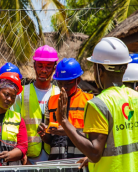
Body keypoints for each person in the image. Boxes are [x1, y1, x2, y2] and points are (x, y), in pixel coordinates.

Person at [56, 37, 138, 172]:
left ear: (99, 71)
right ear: (125, 68)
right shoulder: (135, 97)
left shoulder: (98, 104)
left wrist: (64, 121)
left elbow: (94, 153)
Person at [12, 45, 60, 163]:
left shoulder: (59, 93)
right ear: (34, 66)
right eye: (40, 66)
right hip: (28, 157)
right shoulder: (22, 94)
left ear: (54, 68)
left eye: (48, 67)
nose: (44, 70)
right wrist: (21, 154)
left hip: (54, 156)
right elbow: (13, 125)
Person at [38, 58, 93, 160]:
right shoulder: (51, 101)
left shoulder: (90, 101)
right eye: (60, 83)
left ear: (78, 80)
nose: (63, 88)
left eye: (68, 83)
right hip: (56, 162)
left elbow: (95, 138)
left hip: (79, 161)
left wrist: (68, 131)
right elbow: (51, 139)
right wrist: (44, 134)